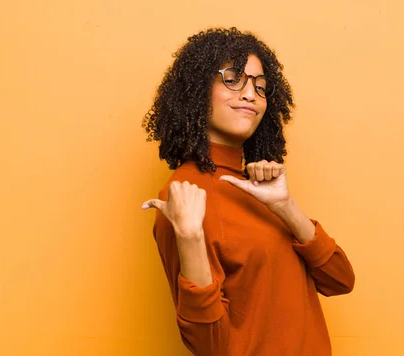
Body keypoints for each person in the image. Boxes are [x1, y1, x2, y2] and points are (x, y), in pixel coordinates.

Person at [141, 27, 355, 356]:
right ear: (197, 90)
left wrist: (285, 206)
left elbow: (340, 280)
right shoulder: (185, 193)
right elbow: (209, 346)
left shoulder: (260, 190)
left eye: (260, 86)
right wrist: (190, 239)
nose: (250, 95)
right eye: (232, 79)